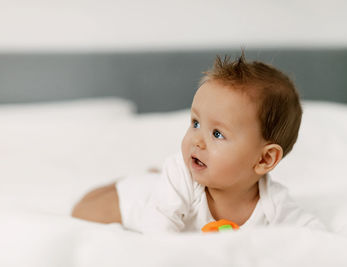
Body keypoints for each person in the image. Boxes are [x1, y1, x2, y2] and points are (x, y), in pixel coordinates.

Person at [72, 53, 325, 233]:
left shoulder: (274, 203)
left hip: (168, 188)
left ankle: (154, 176)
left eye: (217, 134)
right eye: (195, 123)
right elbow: (158, 238)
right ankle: (140, 179)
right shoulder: (182, 177)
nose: (197, 140)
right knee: (83, 211)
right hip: (144, 201)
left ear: (264, 159)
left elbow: (317, 237)